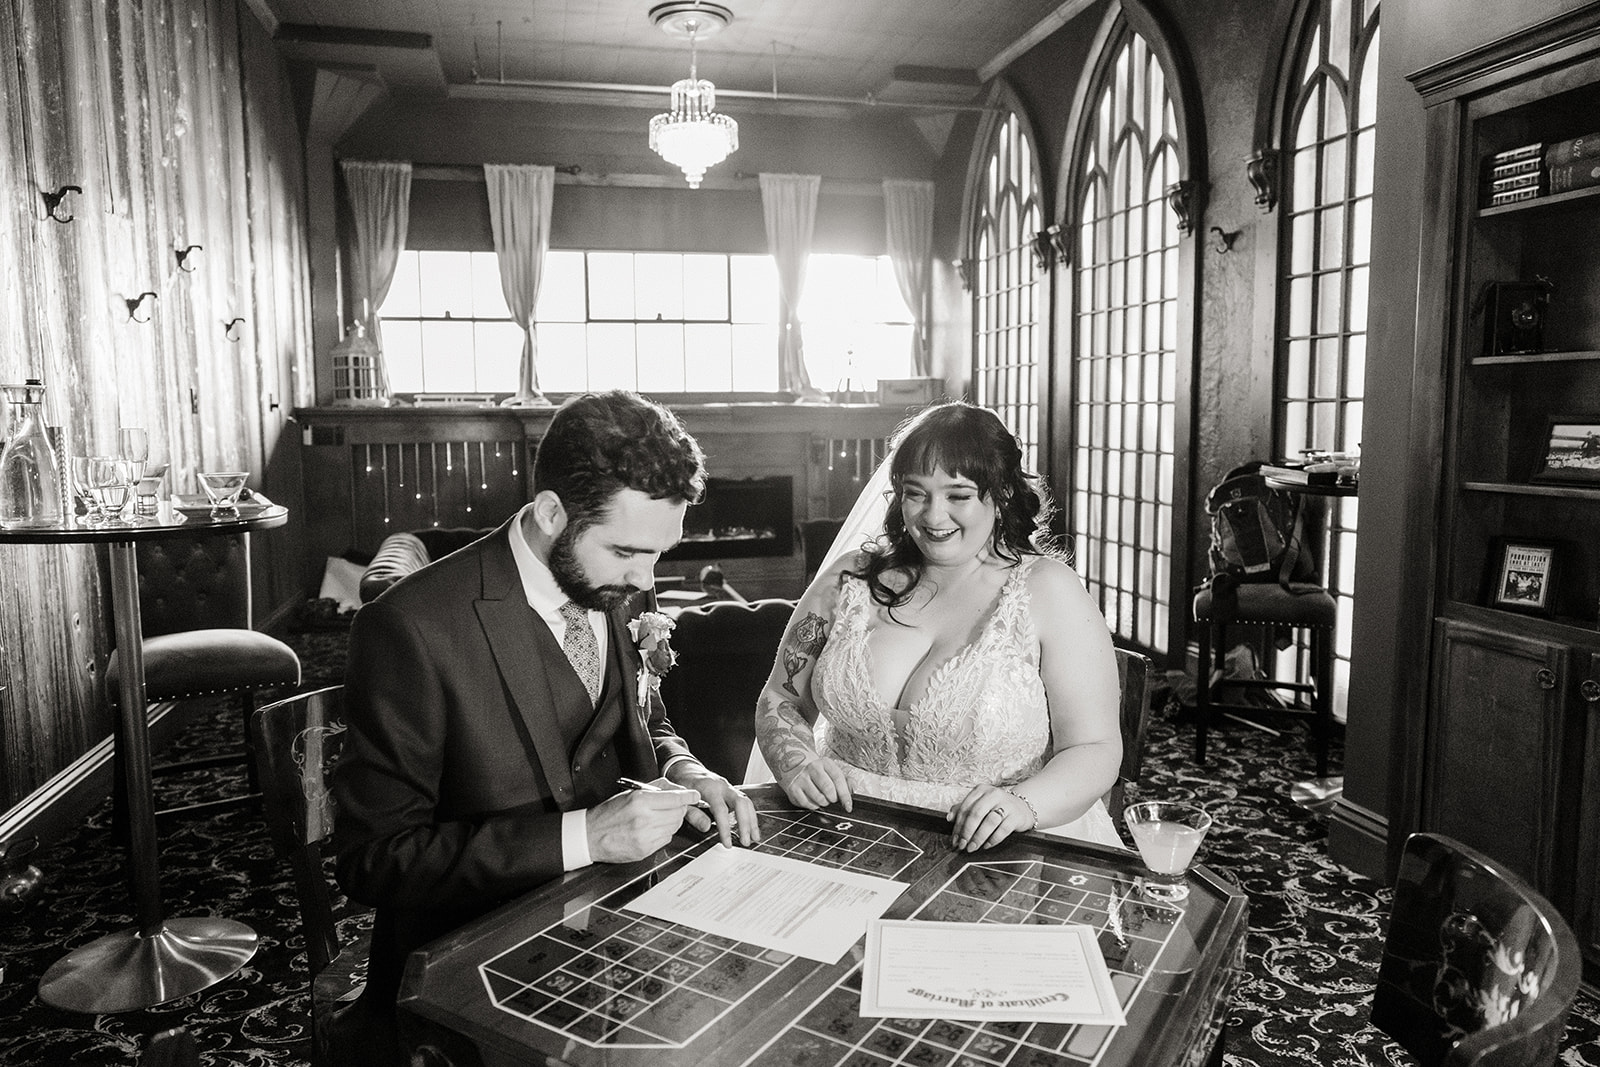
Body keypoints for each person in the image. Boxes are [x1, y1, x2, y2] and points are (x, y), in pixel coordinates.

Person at [332, 390, 760, 1063]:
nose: (648, 577)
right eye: (627, 551)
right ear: (552, 512)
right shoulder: (410, 627)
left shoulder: (619, 576)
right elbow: (374, 859)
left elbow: (644, 711)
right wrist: (585, 834)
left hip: (618, 931)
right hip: (465, 981)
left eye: (659, 552)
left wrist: (685, 768)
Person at [751, 401, 1125, 851]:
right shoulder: (848, 579)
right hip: (843, 829)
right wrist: (794, 761)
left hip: (992, 844)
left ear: (1002, 493)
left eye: (958, 495)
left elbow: (1095, 746)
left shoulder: (1048, 591)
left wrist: (1022, 804)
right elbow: (782, 697)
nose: (932, 515)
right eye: (916, 492)